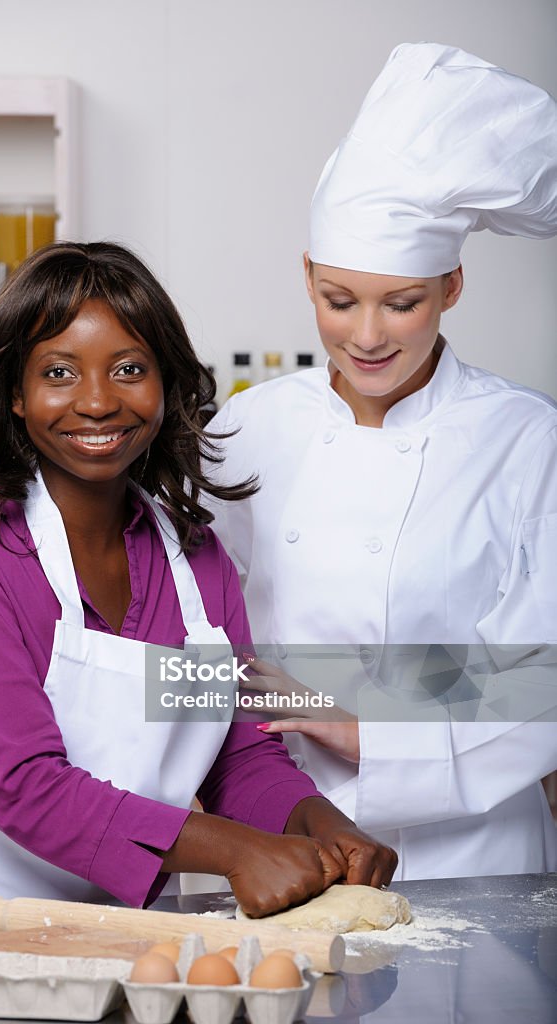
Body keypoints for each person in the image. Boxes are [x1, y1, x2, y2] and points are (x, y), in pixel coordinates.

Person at [0, 241, 396, 916]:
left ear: (167, 383)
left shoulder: (196, 561)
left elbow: (234, 758)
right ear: (15, 394)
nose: (98, 402)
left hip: (137, 942)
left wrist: (318, 823)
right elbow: (20, 784)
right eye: (60, 373)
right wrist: (234, 851)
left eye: (129, 369)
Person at [206, 43, 557, 880]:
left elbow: (540, 674)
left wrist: (360, 723)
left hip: (474, 850)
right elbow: (197, 641)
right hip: (280, 826)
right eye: (338, 300)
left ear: (452, 287)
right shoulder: (245, 429)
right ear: (307, 277)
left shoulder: (525, 437)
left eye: (402, 303)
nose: (367, 336)